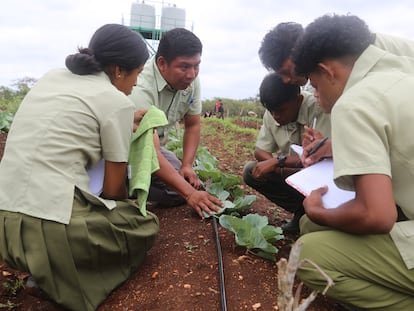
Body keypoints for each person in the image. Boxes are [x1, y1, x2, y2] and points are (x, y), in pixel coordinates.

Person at [0, 24, 157, 311]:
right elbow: (113, 191)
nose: (136, 83)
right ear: (119, 70)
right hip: (48, 231)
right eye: (137, 73)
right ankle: (59, 277)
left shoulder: (52, 77)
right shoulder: (116, 102)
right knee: (141, 224)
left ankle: (42, 266)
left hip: (5, 224)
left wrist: (125, 124)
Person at [291, 14, 414, 309]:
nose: (316, 97)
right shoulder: (404, 72)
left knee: (307, 255)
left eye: (315, 87)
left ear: (326, 70)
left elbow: (376, 215)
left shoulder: (354, 103)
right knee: (312, 226)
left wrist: (320, 212)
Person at [242, 73, 330, 233]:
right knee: (251, 171)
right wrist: (279, 168)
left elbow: (322, 157)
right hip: (292, 171)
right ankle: (300, 211)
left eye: (281, 111)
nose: (276, 117)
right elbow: (260, 150)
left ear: (298, 100)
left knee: (312, 227)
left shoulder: (318, 108)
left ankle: (322, 216)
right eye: (271, 111)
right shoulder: (274, 110)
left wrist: (278, 162)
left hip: (320, 177)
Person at [129, 28, 204, 207]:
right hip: (130, 150)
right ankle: (126, 187)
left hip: (156, 148)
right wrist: (190, 194)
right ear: (162, 63)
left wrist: (187, 165)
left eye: (196, 65)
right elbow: (148, 151)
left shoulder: (191, 80)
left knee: (187, 183)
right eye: (184, 67)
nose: (192, 74)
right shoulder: (141, 87)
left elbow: (193, 125)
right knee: (179, 192)